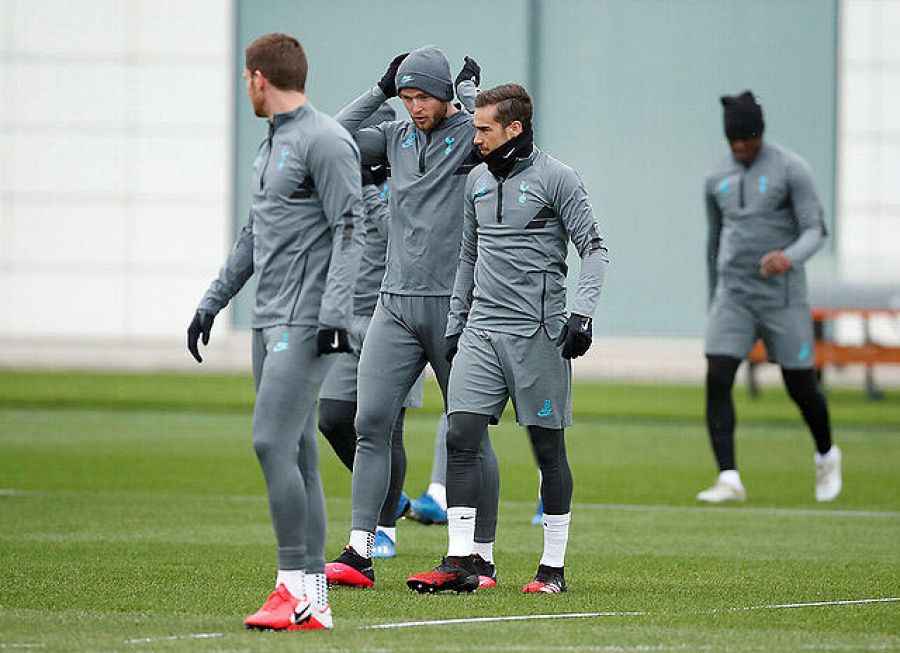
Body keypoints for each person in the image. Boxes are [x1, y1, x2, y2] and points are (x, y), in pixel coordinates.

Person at [186, 32, 363, 631]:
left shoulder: (326, 140)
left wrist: (336, 316)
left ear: (260, 77)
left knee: (268, 442)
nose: (246, 87)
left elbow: (350, 229)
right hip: (268, 318)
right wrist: (211, 304)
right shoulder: (269, 149)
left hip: (309, 320)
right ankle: (315, 599)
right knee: (297, 452)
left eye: (246, 78)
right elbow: (252, 239)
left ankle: (291, 588)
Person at [406, 83, 608, 595]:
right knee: (461, 435)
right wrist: (456, 323)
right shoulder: (475, 180)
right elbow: (468, 258)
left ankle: (552, 570)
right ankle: (465, 562)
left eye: (483, 129)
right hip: (481, 332)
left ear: (513, 129)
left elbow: (595, 249)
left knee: (547, 449)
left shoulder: (558, 178)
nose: (474, 138)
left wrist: (581, 316)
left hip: (538, 336)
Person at [324, 46, 502, 590]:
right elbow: (331, 139)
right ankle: (360, 552)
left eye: (422, 95)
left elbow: (500, 137)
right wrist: (379, 91)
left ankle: (479, 557)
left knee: (467, 433)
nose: (414, 105)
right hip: (394, 304)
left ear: (444, 94)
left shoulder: (467, 140)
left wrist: (470, 94)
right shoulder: (396, 137)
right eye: (406, 96)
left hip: (454, 309)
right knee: (369, 424)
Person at [698, 90, 841, 503]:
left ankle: (826, 453)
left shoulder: (791, 169)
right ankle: (729, 478)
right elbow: (714, 238)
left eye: (748, 139)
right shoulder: (716, 177)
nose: (741, 147)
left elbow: (816, 229)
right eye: (734, 141)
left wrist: (789, 257)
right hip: (734, 294)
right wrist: (713, 295)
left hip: (783, 297)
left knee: (800, 386)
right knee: (718, 374)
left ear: (760, 134)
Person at [316, 103, 423, 559]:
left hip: (395, 316)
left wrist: (372, 192)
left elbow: (402, 236)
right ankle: (393, 500)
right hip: (349, 322)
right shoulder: (340, 183)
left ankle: (382, 530)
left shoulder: (410, 181)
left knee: (384, 428)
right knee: (334, 417)